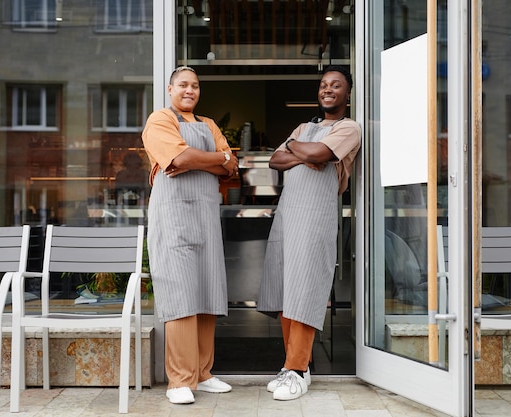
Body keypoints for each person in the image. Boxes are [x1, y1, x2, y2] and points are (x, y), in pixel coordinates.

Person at [257, 65, 361, 401]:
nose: (328, 89)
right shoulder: (304, 127)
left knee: (305, 288)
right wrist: (297, 148)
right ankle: (292, 366)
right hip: (289, 213)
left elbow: (320, 154)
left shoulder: (350, 128)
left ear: (347, 93)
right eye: (324, 84)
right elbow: (275, 160)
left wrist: (299, 150)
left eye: (336, 85)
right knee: (287, 288)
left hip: (316, 217)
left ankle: (299, 369)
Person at [141, 66, 238, 405]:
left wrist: (205, 160)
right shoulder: (159, 120)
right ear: (170, 89)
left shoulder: (209, 124)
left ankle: (203, 373)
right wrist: (215, 158)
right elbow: (178, 157)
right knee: (181, 291)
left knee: (207, 289)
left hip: (205, 217)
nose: (189, 90)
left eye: (195, 85)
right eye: (183, 84)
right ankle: (179, 380)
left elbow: (232, 166)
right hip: (175, 218)